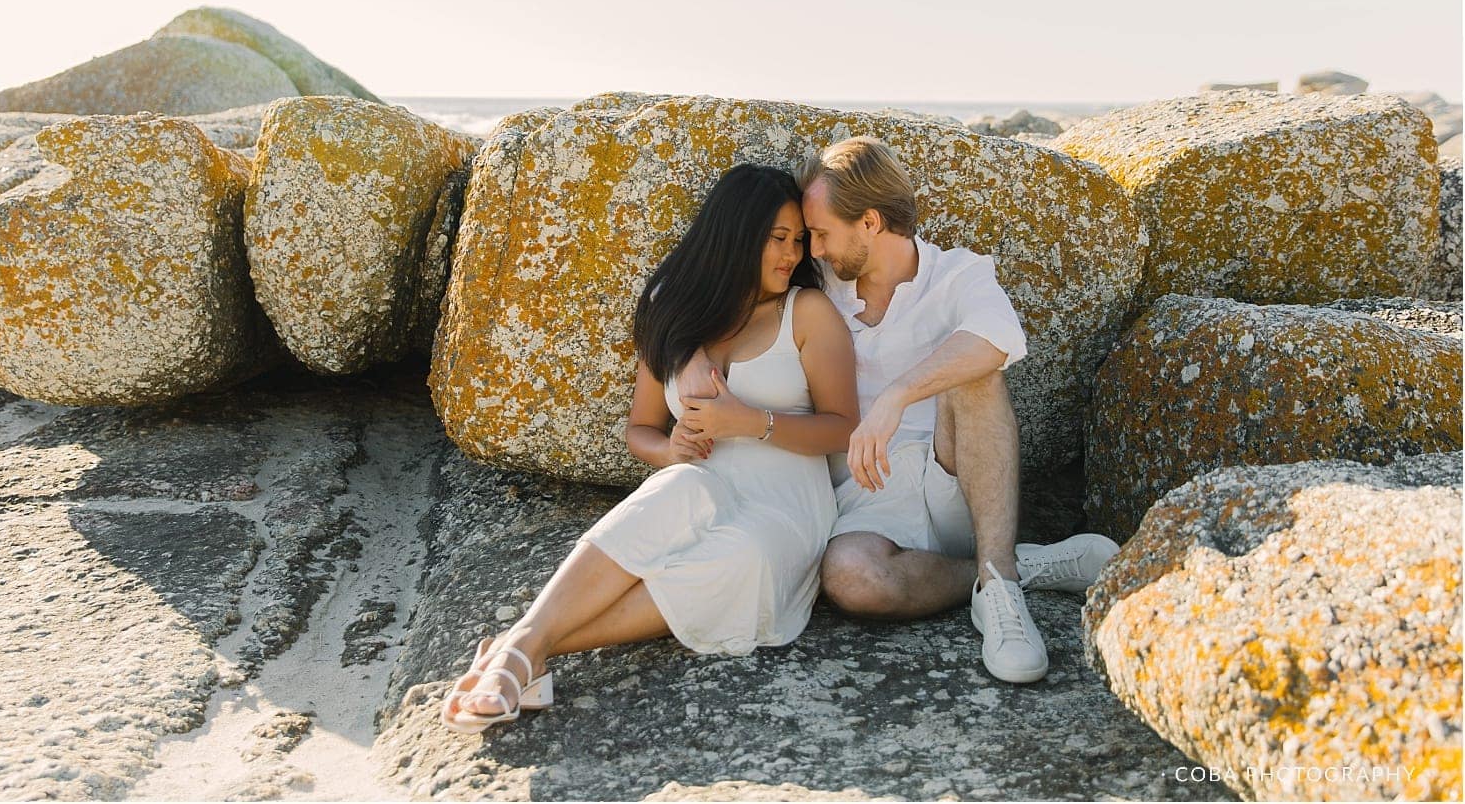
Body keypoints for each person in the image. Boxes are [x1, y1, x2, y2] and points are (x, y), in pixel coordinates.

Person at [679, 136, 1119, 684]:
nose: (809, 250)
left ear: (868, 223)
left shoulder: (958, 274)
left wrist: (897, 396)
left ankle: (1001, 588)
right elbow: (696, 293)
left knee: (976, 370)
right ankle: (1010, 568)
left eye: (820, 233)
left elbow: (998, 337)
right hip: (864, 499)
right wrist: (691, 352)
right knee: (851, 580)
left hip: (954, 480)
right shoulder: (819, 284)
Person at [440, 163, 859, 733]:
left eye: (799, 241)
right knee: (682, 488)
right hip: (698, 482)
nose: (792, 255)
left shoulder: (806, 312)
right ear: (736, 235)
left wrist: (749, 421)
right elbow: (640, 428)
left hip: (784, 505)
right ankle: (524, 651)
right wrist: (670, 452)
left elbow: (844, 427)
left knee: (744, 558)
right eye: (777, 239)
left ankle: (518, 649)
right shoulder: (676, 317)